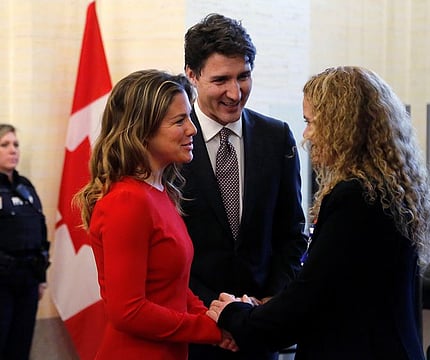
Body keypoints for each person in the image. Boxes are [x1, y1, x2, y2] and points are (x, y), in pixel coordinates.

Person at [207, 66, 430, 360]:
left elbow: (312, 297)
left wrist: (234, 315)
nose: (307, 135)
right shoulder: (386, 189)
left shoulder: (355, 197)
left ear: (340, 126)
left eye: (311, 122)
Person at [73, 69, 237, 360]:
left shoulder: (159, 192)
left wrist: (213, 318)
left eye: (189, 116)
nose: (192, 129)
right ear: (142, 131)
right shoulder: (127, 201)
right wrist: (209, 329)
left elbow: (173, 286)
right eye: (179, 121)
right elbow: (128, 311)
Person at [182, 13, 308, 360]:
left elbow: (292, 232)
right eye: (221, 79)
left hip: (258, 329)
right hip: (193, 332)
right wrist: (214, 313)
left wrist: (268, 302)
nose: (235, 93)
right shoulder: (169, 142)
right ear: (192, 75)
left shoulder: (276, 136)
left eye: (244, 77)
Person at [0, 124, 50, 360]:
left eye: (16, 144)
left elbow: (40, 230)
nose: (13, 150)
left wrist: (41, 278)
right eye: (5, 145)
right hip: (2, 283)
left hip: (28, 280)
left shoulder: (26, 187)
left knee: (21, 347)